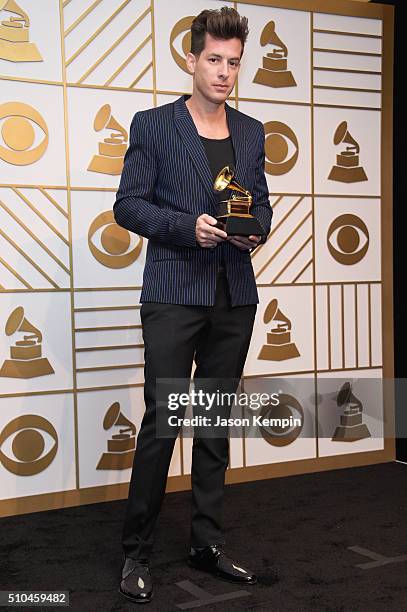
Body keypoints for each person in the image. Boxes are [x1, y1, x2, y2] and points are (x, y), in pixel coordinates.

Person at [113, 6, 273, 604]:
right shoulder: (152, 125)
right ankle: (136, 555)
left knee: (213, 425)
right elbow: (127, 206)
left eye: (234, 62)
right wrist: (189, 226)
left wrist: (257, 229)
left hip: (234, 294)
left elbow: (260, 205)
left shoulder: (252, 132)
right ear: (192, 59)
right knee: (164, 422)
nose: (225, 72)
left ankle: (206, 544)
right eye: (214, 60)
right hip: (174, 292)